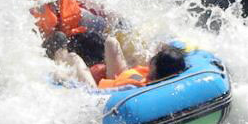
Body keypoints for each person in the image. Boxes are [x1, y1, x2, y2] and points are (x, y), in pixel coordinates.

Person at [30, 0, 108, 66]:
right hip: (49, 47)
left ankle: (105, 67)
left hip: (70, 40)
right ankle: (63, 71)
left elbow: (95, 7)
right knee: (59, 37)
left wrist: (109, 15)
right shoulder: (34, 2)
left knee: (94, 38)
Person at [54, 35, 187, 89]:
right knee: (111, 42)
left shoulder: (136, 87)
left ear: (155, 66)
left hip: (96, 91)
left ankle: (57, 59)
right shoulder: (156, 74)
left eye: (156, 57)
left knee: (74, 58)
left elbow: (110, 91)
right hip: (118, 77)